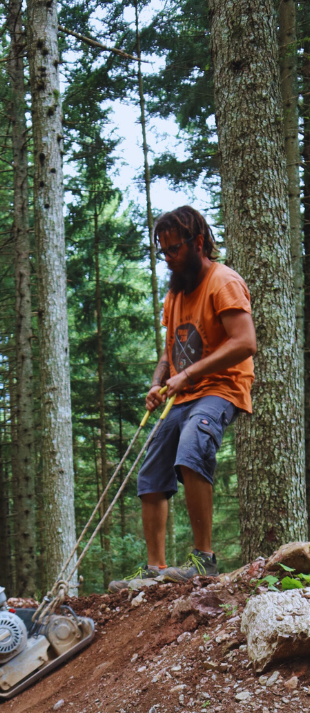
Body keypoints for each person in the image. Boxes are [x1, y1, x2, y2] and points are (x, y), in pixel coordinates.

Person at [110, 206, 257, 591]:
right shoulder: (176, 292)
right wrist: (158, 382)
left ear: (197, 242)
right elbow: (169, 352)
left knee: (192, 446)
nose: (169, 258)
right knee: (152, 468)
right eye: (163, 252)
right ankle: (155, 568)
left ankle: (203, 559)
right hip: (183, 394)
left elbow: (245, 342)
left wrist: (188, 374)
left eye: (174, 249)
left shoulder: (223, 282)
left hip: (221, 389)